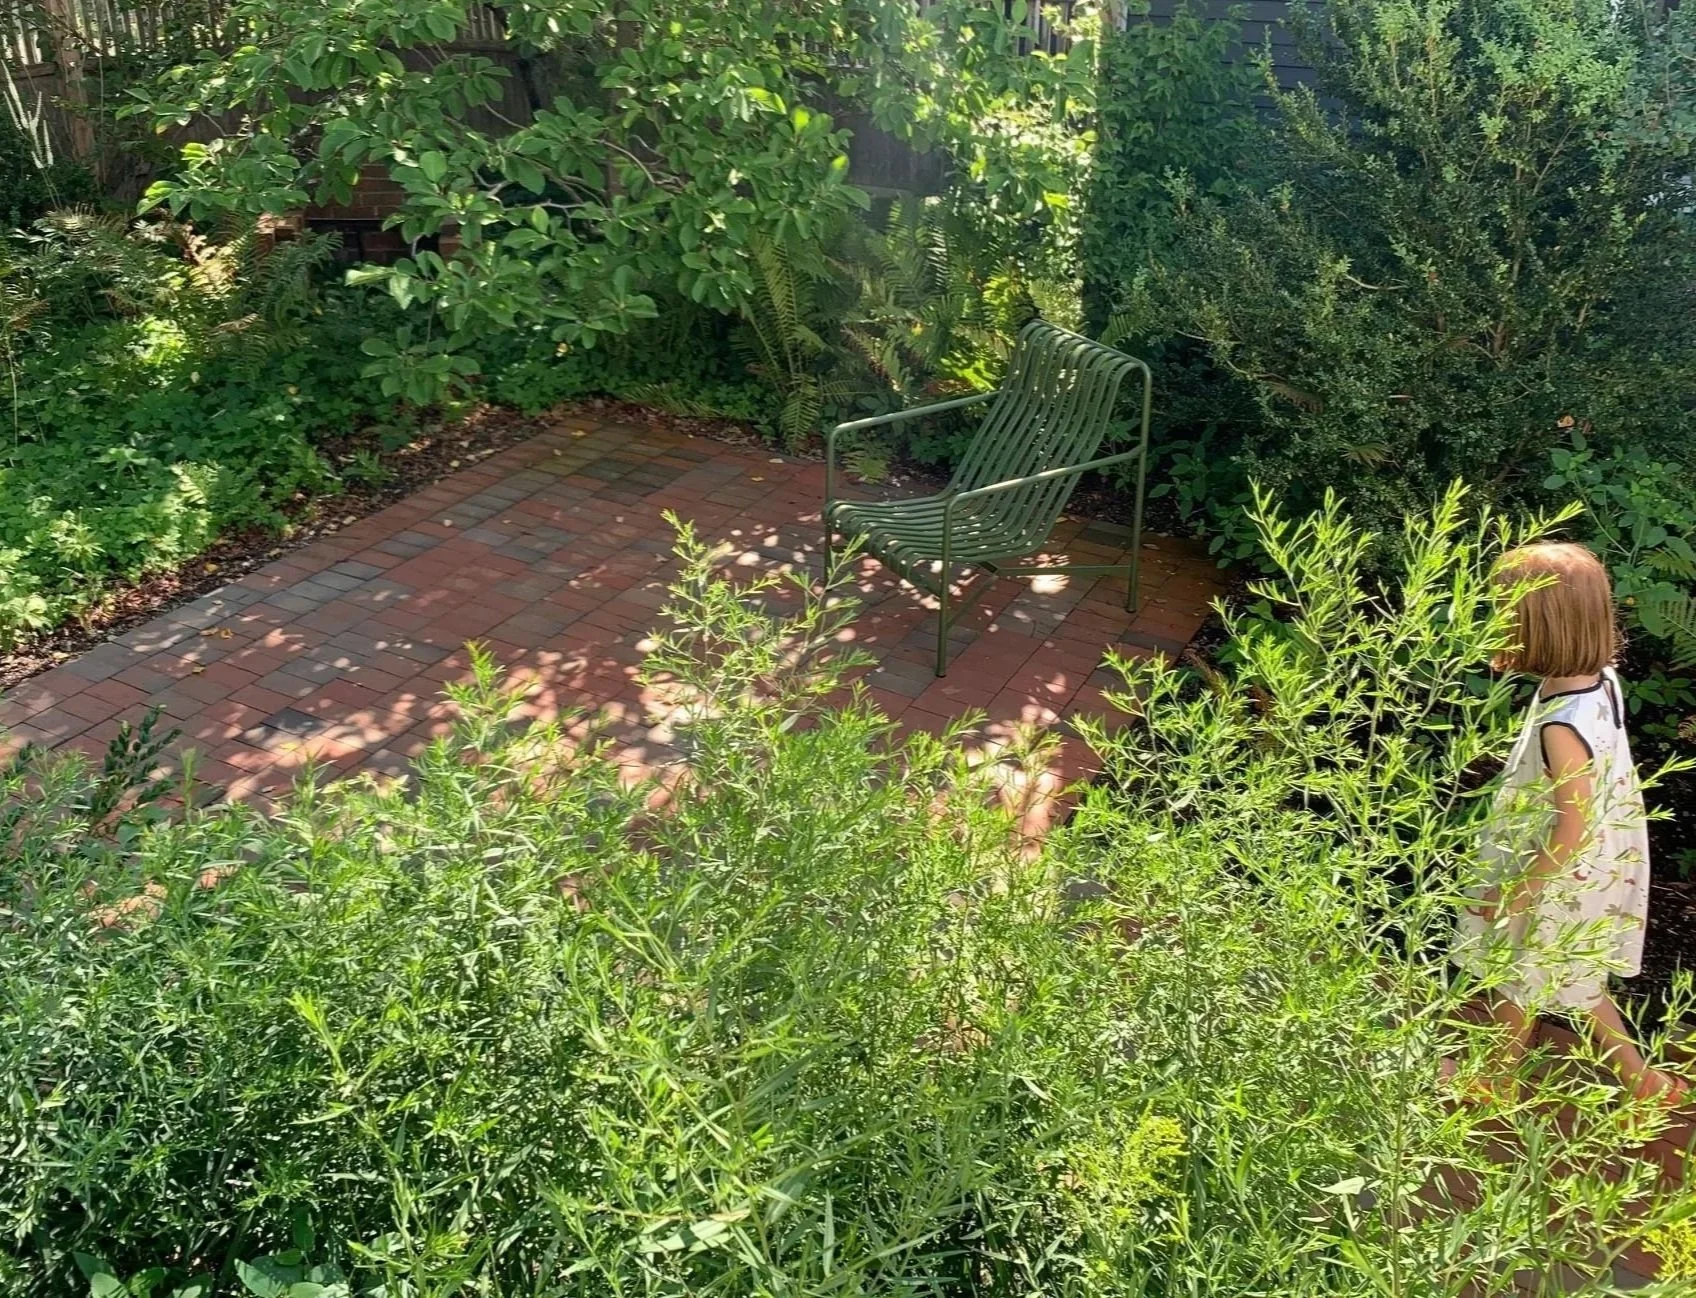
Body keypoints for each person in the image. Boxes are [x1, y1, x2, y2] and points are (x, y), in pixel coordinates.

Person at [1450, 541, 1685, 1105]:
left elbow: (1570, 827)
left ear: (1535, 629)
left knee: (1520, 976)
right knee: (1570, 978)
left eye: (1503, 614)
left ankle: (1497, 1079)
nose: (1494, 623)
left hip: (1558, 871)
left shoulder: (1563, 725)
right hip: (1593, 865)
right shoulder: (1598, 679)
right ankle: (1644, 1083)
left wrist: (1519, 889)